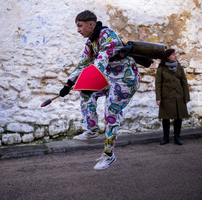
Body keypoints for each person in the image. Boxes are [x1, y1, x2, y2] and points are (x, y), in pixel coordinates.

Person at [59, 10, 140, 170]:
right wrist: (68, 85)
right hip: (110, 79)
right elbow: (82, 63)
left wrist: (90, 76)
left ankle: (109, 155)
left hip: (126, 79)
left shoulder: (107, 35)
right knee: (86, 91)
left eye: (80, 26)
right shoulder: (90, 43)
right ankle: (91, 129)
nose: (78, 30)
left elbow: (101, 61)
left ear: (91, 24)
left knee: (111, 113)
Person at [155, 48, 190, 145]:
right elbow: (158, 84)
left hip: (179, 96)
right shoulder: (161, 68)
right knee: (165, 118)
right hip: (166, 96)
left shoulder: (179, 66)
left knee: (178, 118)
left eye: (175, 54)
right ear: (168, 57)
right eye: (173, 54)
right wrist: (158, 98)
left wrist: (186, 96)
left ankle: (177, 137)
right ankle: (165, 137)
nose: (175, 56)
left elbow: (184, 82)